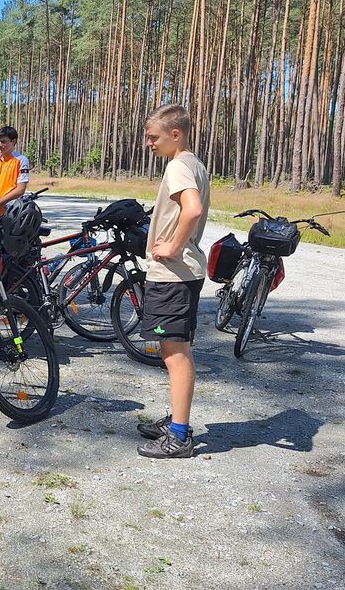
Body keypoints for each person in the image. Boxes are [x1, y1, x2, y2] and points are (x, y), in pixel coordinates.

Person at [135, 104, 210, 459]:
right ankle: (176, 422)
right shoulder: (193, 162)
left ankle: (179, 436)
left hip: (174, 275)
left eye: (153, 137)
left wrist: (173, 246)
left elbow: (192, 209)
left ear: (175, 134)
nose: (148, 143)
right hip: (183, 275)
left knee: (174, 354)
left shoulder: (179, 166)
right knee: (177, 350)